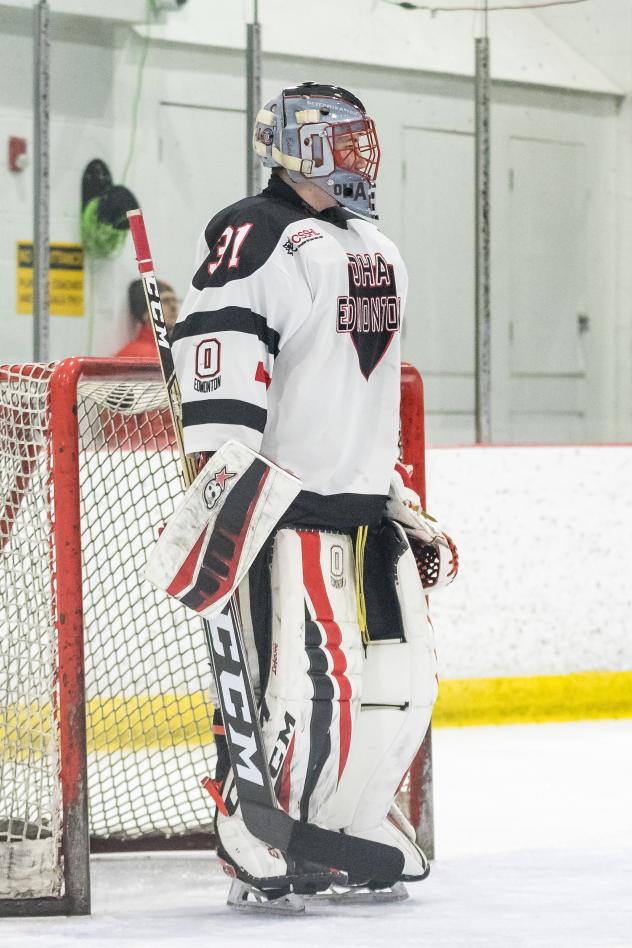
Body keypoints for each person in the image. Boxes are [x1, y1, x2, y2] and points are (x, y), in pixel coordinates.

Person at [169, 82, 457, 909]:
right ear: (298, 147)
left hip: (367, 511)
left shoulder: (375, 244)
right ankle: (258, 822)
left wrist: (391, 485)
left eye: (363, 140)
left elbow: (354, 390)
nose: (362, 156)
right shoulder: (250, 232)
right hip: (288, 509)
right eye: (344, 141)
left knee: (407, 681)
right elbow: (221, 361)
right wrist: (225, 482)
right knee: (307, 683)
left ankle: (348, 817)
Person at [116, 278, 178, 357]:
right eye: (165, 301)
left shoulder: (167, 350)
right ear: (146, 312)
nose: (173, 307)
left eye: (174, 301)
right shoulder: (142, 354)